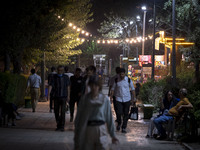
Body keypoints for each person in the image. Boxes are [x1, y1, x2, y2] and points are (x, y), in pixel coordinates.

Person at [74, 75, 119, 150]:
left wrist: (113, 135)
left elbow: (109, 118)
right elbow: (79, 117)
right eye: (92, 85)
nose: (94, 87)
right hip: (88, 128)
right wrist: (77, 133)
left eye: (96, 85)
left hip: (101, 128)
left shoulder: (105, 100)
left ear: (99, 86)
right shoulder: (84, 99)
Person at [110, 68, 136, 133]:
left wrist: (134, 98)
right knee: (119, 113)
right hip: (118, 99)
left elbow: (132, 89)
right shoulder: (116, 80)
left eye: (122, 74)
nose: (121, 75)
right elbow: (112, 89)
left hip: (127, 99)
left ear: (125, 73)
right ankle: (119, 123)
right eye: (120, 74)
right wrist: (111, 97)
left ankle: (124, 127)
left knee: (126, 114)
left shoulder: (128, 80)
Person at [48, 65, 70, 131]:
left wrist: (68, 96)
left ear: (63, 71)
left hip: (63, 96)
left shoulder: (66, 77)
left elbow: (68, 87)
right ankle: (58, 124)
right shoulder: (54, 77)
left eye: (61, 70)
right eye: (59, 70)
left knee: (63, 112)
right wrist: (49, 95)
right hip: (56, 96)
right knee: (56, 111)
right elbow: (51, 85)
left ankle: (62, 125)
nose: (60, 71)